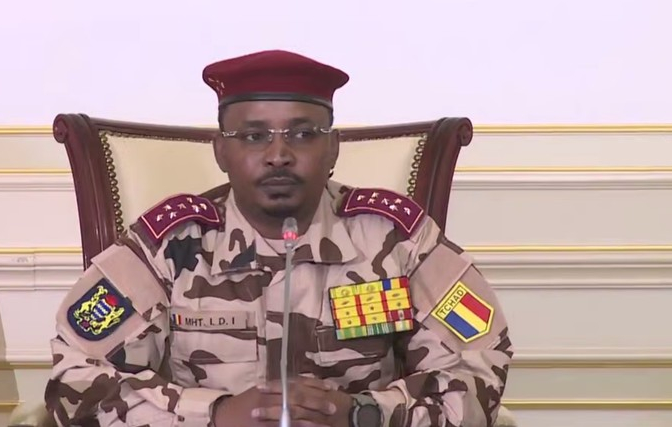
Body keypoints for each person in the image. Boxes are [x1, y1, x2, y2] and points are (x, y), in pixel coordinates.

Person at [44, 50, 513, 427]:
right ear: (221, 151)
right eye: (253, 137)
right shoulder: (170, 246)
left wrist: (364, 414)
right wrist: (213, 415)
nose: (279, 155)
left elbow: (480, 362)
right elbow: (76, 376)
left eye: (303, 134)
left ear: (333, 148)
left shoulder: (397, 240)